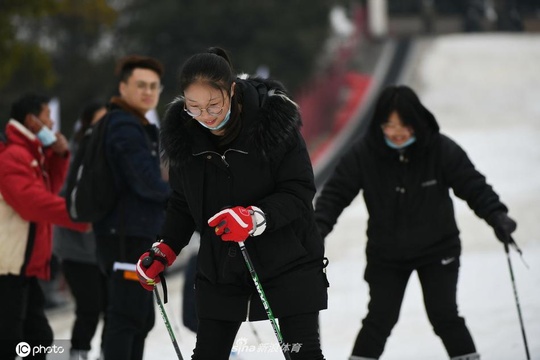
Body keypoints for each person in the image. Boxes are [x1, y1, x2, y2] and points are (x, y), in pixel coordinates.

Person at [136, 47, 329, 360]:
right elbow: (183, 203)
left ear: (232, 90)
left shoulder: (273, 122)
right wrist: (165, 248)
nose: (206, 115)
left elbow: (299, 189)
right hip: (222, 267)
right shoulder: (184, 137)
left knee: (303, 353)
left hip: (289, 258)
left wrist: (254, 218)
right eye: (194, 107)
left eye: (214, 104)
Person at [314, 85, 517, 360]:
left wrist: (497, 216)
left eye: (404, 124)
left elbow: (473, 186)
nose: (397, 132)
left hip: (438, 250)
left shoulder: (440, 149)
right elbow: (335, 195)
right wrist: (318, 229)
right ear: (379, 124)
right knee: (379, 319)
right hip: (386, 254)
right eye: (389, 124)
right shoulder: (364, 153)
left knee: (444, 316)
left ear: (417, 122)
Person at [0, 93, 89, 359]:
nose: (52, 124)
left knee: (38, 339)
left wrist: (59, 156)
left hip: (22, 266)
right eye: (47, 117)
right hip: (7, 268)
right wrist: (77, 215)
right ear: (32, 121)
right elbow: (32, 203)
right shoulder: (13, 155)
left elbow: (47, 191)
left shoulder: (30, 152)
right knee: (15, 341)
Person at [93, 55, 171, 360]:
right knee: (127, 318)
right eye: (140, 85)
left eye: (153, 86)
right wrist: (181, 200)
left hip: (131, 232)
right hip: (125, 235)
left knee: (138, 318)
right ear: (123, 86)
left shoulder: (134, 123)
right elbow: (146, 182)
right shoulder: (124, 126)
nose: (148, 92)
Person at [53, 101, 108, 360]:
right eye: (98, 122)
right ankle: (77, 352)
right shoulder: (74, 156)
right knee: (89, 306)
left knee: (114, 305)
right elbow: (62, 200)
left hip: (105, 248)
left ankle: (110, 351)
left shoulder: (113, 155)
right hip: (76, 249)